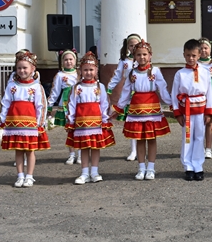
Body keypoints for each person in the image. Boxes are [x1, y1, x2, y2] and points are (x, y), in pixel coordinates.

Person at [112, 40, 172, 181]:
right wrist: (119, 107)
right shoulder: (131, 72)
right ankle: (141, 168)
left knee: (151, 138)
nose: (142, 57)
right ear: (134, 56)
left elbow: (162, 88)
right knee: (139, 138)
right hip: (136, 109)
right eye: (138, 55)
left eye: (145, 54)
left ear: (150, 55)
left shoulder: (155, 71)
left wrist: (171, 104)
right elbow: (126, 91)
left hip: (152, 108)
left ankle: (150, 168)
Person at [0, 51, 50, 187]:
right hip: (15, 123)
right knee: (18, 150)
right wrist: (3, 118)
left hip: (30, 124)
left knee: (30, 150)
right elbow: (6, 102)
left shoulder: (36, 87)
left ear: (33, 69)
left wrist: (40, 123)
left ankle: (30, 176)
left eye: (25, 68)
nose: (22, 70)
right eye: (19, 68)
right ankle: (20, 176)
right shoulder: (12, 86)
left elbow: (41, 106)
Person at [66, 52, 115, 185]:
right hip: (82, 124)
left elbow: (104, 104)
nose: (88, 72)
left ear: (96, 70)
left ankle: (94, 172)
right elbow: (72, 104)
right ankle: (84, 173)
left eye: (91, 69)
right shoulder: (77, 88)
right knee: (84, 148)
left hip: (96, 123)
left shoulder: (100, 87)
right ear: (80, 71)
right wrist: (71, 120)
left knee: (94, 147)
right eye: (85, 70)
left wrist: (105, 119)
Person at [172, 39, 212, 181]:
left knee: (199, 136)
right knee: (187, 137)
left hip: (201, 109)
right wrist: (177, 113)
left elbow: (209, 92)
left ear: (199, 54)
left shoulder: (206, 72)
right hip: (187, 110)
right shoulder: (180, 74)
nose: (191, 58)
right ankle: (188, 166)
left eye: (194, 55)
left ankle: (198, 166)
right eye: (188, 55)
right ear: (184, 54)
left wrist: (209, 112)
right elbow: (174, 94)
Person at [107, 33, 141, 161]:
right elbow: (117, 76)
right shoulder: (124, 61)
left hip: (141, 95)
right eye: (131, 45)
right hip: (128, 94)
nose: (133, 47)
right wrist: (109, 88)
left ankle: (141, 148)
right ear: (127, 47)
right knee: (131, 121)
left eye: (136, 45)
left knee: (142, 121)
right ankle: (133, 150)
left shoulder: (143, 59)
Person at [47, 49, 80, 165]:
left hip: (79, 103)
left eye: (71, 59)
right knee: (70, 130)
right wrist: (50, 105)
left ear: (75, 61)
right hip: (65, 104)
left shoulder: (80, 73)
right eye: (65, 60)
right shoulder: (60, 75)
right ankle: (71, 154)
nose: (68, 62)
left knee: (80, 129)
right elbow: (55, 91)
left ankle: (80, 154)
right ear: (62, 62)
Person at [198, 37, 212, 160]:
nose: (203, 50)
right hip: (199, 97)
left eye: (205, 48)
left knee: (209, 122)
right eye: (200, 48)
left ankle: (208, 148)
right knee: (200, 122)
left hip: (211, 96)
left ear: (210, 49)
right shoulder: (195, 63)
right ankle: (199, 147)